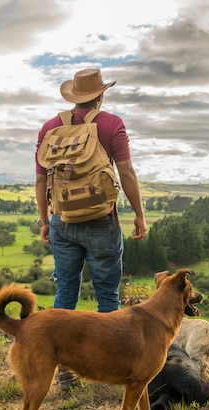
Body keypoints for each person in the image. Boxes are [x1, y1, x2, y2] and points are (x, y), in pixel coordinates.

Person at [34, 68, 147, 314]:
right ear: (101, 95)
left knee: (65, 289)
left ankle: (59, 350)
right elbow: (126, 172)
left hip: (61, 220)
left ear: (73, 95)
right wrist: (139, 214)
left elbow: (41, 181)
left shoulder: (50, 128)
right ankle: (110, 352)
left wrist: (44, 221)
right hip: (101, 219)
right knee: (107, 296)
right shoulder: (111, 123)